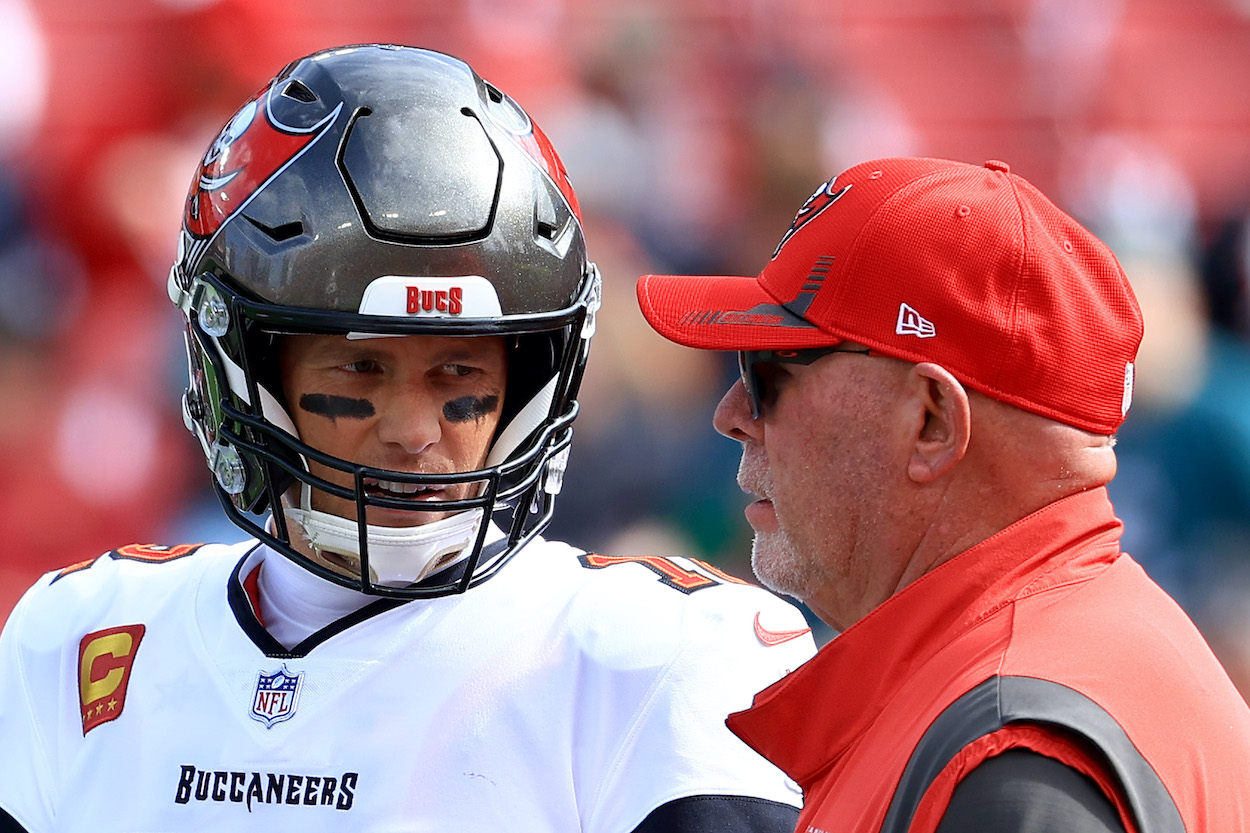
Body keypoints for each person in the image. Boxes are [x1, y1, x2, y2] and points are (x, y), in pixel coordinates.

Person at [0, 44, 816, 832]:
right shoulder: (83, 638)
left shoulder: (655, 660)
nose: (415, 432)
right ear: (248, 367)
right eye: (360, 370)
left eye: (459, 373)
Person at [635, 156, 1250, 832]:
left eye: (768, 371)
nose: (730, 413)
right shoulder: (1022, 674)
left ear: (930, 420)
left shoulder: (1012, 755)